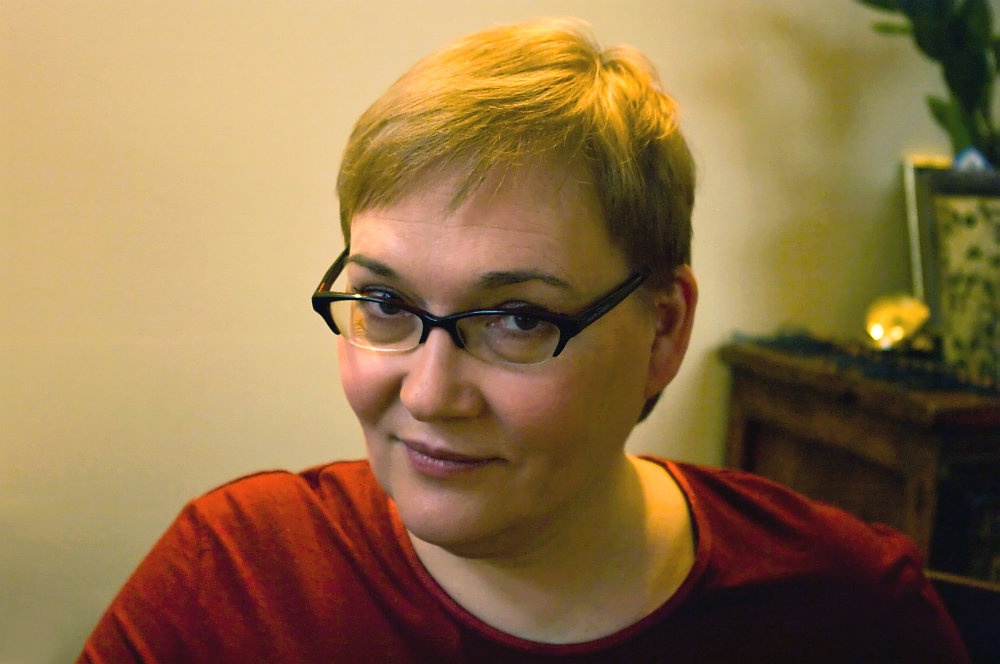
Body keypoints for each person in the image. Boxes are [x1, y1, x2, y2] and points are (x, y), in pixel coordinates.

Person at [78, 17, 968, 663]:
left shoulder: (849, 613)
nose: (429, 395)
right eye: (384, 302)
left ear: (663, 329)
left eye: (517, 320)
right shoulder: (234, 581)